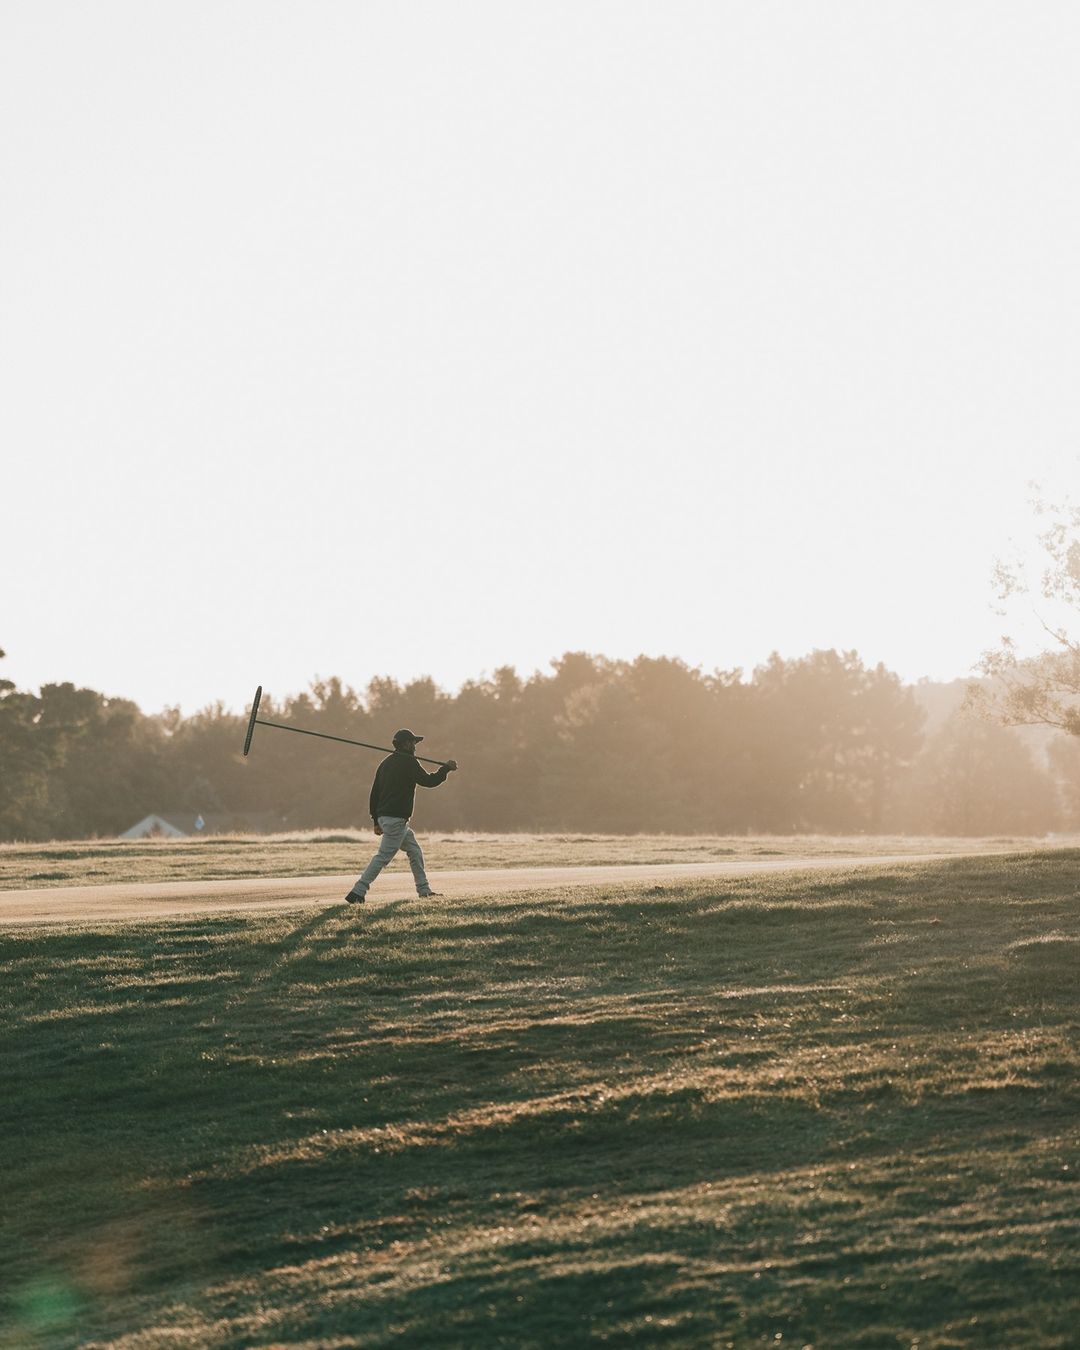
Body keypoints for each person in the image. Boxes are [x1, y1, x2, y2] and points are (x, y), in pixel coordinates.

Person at [345, 729, 458, 904]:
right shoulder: (409, 762)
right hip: (396, 819)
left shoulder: (385, 763)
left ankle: (424, 890)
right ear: (405, 744)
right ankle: (357, 892)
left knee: (414, 851)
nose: (415, 746)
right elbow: (428, 781)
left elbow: (374, 793)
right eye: (413, 742)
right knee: (382, 857)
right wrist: (445, 769)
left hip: (388, 818)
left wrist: (376, 820)